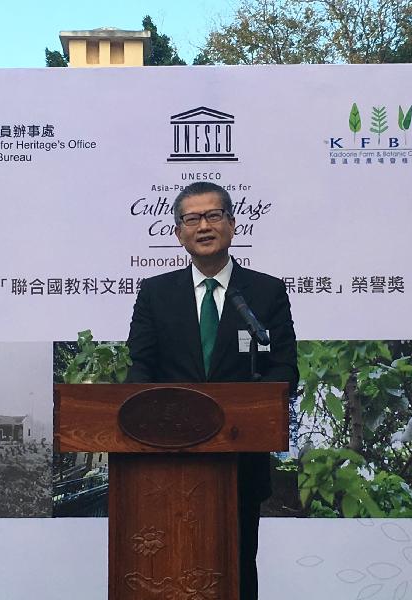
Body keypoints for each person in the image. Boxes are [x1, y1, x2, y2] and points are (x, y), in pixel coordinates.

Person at [126, 181, 298, 600]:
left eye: (213, 215)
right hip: (168, 463)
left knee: (236, 567)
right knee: (167, 568)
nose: (203, 226)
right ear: (178, 233)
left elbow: (284, 368)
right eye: (192, 218)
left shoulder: (265, 291)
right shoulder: (155, 292)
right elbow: (141, 367)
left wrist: (253, 410)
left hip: (240, 462)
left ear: (232, 225)